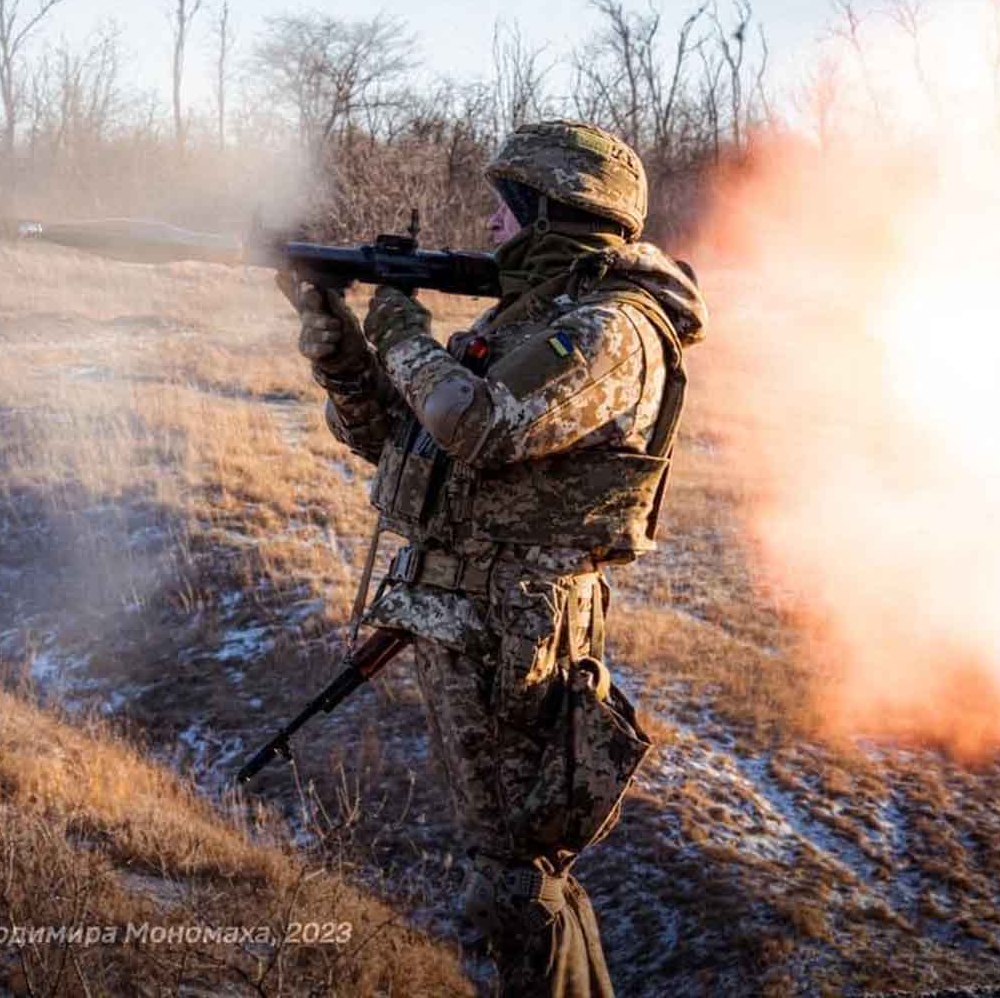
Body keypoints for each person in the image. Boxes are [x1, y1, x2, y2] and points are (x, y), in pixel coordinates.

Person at [278, 120, 707, 997]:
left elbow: (477, 425)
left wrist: (398, 318)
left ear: (556, 210)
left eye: (506, 205)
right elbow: (407, 443)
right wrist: (342, 349)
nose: (488, 222)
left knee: (515, 881)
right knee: (510, 868)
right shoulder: (527, 319)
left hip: (518, 630)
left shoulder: (612, 331)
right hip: (470, 618)